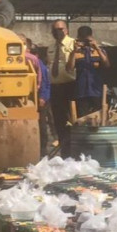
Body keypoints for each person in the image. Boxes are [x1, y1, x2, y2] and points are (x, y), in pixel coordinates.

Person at [19, 34, 52, 155]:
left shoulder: (33, 60)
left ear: (26, 46)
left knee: (41, 125)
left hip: (35, 97)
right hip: (18, 99)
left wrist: (43, 96)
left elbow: (44, 80)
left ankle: (42, 152)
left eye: (21, 43)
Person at [67, 26, 110, 117]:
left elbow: (107, 64)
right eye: (83, 40)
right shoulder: (75, 53)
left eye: (87, 40)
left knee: (99, 116)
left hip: (96, 89)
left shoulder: (99, 51)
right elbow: (69, 68)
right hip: (81, 90)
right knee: (82, 117)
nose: (85, 43)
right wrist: (74, 51)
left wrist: (96, 48)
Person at [48, 20, 77, 158]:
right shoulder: (51, 47)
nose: (58, 32)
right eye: (55, 29)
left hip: (70, 87)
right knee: (59, 121)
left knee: (72, 120)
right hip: (55, 88)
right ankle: (65, 154)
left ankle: (75, 152)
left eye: (61, 29)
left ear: (67, 30)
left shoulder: (73, 44)